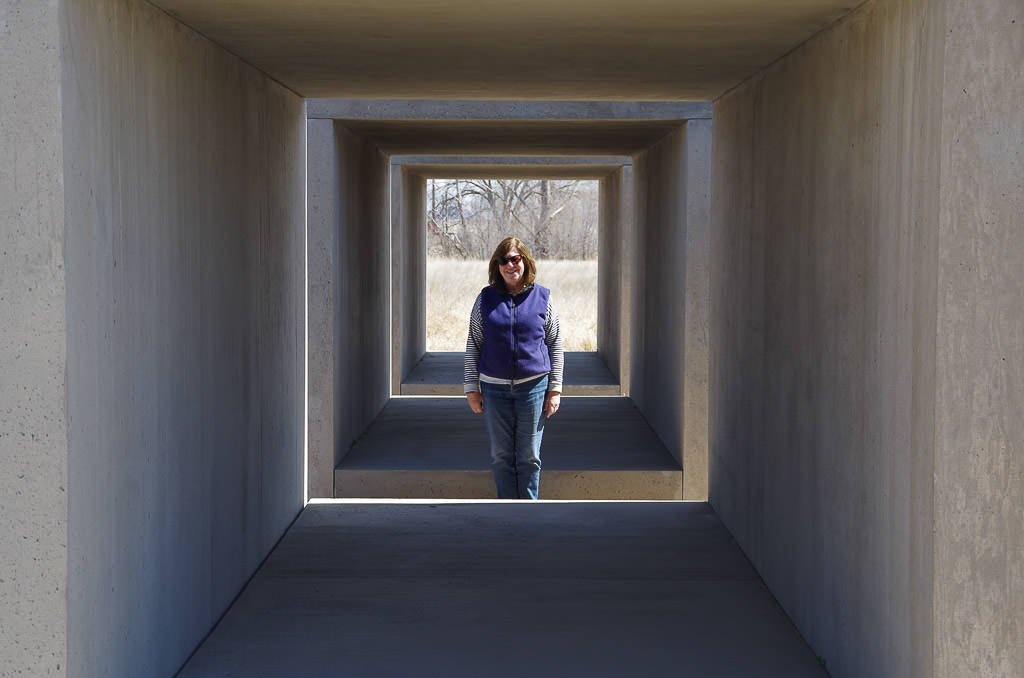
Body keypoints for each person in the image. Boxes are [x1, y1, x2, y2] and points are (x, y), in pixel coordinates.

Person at [464, 237, 563, 500]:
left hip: (534, 388)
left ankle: (527, 511)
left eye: (515, 259)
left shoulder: (543, 297)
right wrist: (471, 388)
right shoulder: (485, 299)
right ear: (497, 266)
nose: (510, 265)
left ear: (525, 262)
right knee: (501, 455)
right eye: (503, 260)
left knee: (529, 455)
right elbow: (474, 342)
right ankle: (507, 510)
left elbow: (555, 344)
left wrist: (555, 390)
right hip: (494, 389)